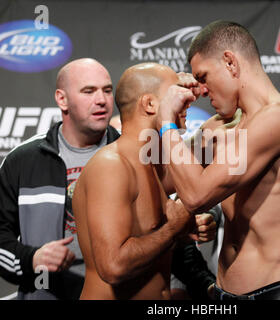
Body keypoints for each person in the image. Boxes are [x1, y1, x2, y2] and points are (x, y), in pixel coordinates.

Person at [156, 20, 280, 300]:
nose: (202, 90)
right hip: (223, 294)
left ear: (230, 62)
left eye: (203, 76)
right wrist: (169, 106)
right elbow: (164, 179)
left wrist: (166, 122)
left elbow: (195, 196)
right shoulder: (218, 127)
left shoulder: (279, 119)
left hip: (279, 294)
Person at [72, 62, 215, 300]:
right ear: (149, 104)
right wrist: (173, 229)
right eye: (176, 94)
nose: (186, 100)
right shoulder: (112, 165)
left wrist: (205, 87)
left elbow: (219, 142)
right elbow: (113, 267)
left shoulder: (155, 164)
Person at [0, 58, 120, 299]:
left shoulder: (130, 155)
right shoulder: (23, 160)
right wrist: (31, 259)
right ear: (61, 99)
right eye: (89, 91)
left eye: (107, 90)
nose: (101, 100)